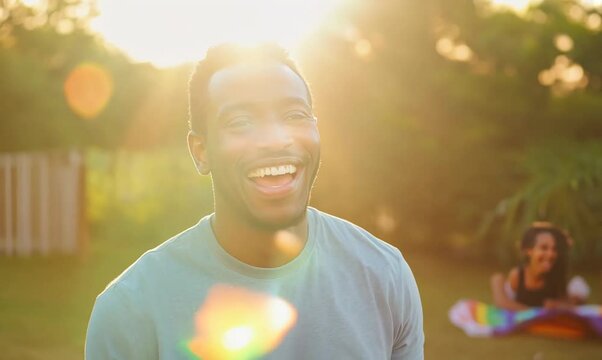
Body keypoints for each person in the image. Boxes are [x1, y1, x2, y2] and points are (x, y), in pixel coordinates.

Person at [85, 43, 424, 359]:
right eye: (241, 122)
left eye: (294, 115)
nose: (276, 139)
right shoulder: (130, 310)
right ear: (201, 152)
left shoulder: (384, 275)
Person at [490, 222, 589, 311]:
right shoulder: (518, 276)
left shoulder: (556, 275)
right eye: (544, 248)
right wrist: (497, 283)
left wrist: (558, 305)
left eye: (554, 249)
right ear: (529, 251)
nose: (550, 254)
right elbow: (502, 304)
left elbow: (571, 306)